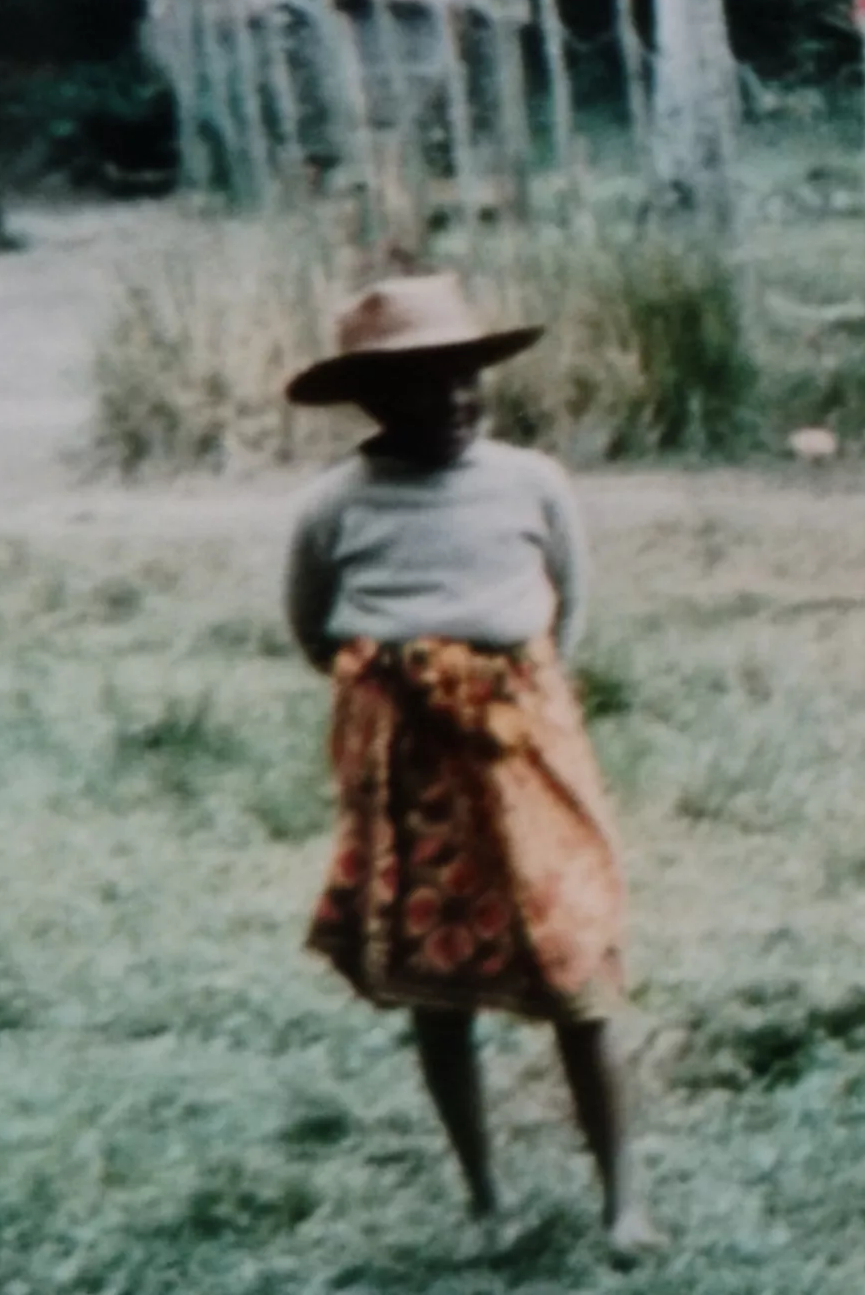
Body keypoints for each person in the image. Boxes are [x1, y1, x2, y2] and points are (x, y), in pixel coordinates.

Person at [282, 275, 655, 1253]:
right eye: (418, 384)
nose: (450, 399)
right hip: (410, 773)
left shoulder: (529, 480)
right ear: (370, 398)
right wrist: (402, 689)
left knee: (574, 965)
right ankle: (485, 1195)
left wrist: (506, 694)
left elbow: (565, 609)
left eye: (462, 378)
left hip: (521, 749)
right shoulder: (334, 503)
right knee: (436, 984)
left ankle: (625, 1199)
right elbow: (312, 623)